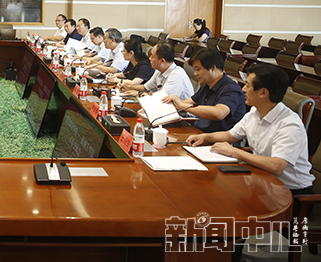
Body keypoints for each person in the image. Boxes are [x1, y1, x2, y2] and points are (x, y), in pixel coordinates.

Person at [186, 63, 313, 202]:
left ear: (263, 93)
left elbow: (277, 166)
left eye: (247, 85)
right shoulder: (255, 112)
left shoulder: (289, 124)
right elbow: (230, 136)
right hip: (262, 180)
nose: (243, 89)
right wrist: (204, 136)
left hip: (291, 193)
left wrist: (234, 151)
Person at [162, 48, 246, 133]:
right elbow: (186, 103)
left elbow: (219, 113)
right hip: (199, 132)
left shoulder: (231, 89)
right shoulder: (207, 85)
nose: (195, 74)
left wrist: (182, 105)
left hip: (218, 138)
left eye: (198, 69)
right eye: (194, 70)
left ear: (213, 68)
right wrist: (167, 105)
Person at [122, 43, 194, 101]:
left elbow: (163, 99)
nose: (149, 58)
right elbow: (146, 87)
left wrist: (139, 94)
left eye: (152, 56)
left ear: (162, 61)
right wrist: (129, 87)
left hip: (181, 113)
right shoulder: (159, 70)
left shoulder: (176, 74)